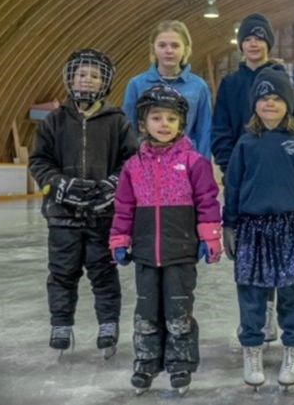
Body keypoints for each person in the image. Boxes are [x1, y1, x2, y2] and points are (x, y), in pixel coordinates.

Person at [109, 85, 222, 394]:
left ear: (180, 124)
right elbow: (123, 207)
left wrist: (210, 237)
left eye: (171, 118)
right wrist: (119, 240)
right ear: (143, 124)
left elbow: (208, 201)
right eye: (156, 118)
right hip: (145, 253)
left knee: (178, 310)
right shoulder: (133, 167)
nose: (164, 124)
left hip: (181, 251)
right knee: (146, 311)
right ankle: (145, 362)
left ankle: (181, 363)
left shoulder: (195, 162)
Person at [29, 49, 137, 359]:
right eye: (80, 74)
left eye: (93, 75)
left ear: (104, 82)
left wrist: (112, 186)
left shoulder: (117, 121)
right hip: (62, 216)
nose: (86, 79)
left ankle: (108, 323)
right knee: (62, 272)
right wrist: (61, 186)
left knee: (103, 271)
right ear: (70, 78)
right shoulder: (55, 120)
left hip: (103, 217)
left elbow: (129, 160)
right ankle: (61, 323)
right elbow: (39, 160)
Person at [222, 67, 294, 389]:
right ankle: (252, 349)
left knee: (291, 294)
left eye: (277, 98)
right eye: (263, 98)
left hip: (289, 228)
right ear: (254, 104)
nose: (270, 104)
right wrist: (230, 225)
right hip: (252, 229)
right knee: (251, 294)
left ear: (289, 104)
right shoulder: (246, 143)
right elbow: (233, 186)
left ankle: (293, 347)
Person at [211, 13, 282, 343]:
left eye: (259, 37)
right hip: (241, 178)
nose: (253, 43)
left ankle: (270, 311)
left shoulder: (281, 79)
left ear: (268, 43)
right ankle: (252, 314)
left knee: (278, 248)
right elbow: (221, 128)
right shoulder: (230, 83)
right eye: (247, 38)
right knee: (247, 250)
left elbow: (292, 125)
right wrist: (229, 165)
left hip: (276, 177)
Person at [123, 20, 212, 158]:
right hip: (146, 163)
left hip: (185, 162)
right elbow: (129, 130)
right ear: (154, 49)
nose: (169, 51)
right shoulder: (136, 84)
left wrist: (202, 168)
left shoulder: (199, 86)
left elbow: (204, 131)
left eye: (175, 45)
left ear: (186, 49)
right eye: (162, 45)